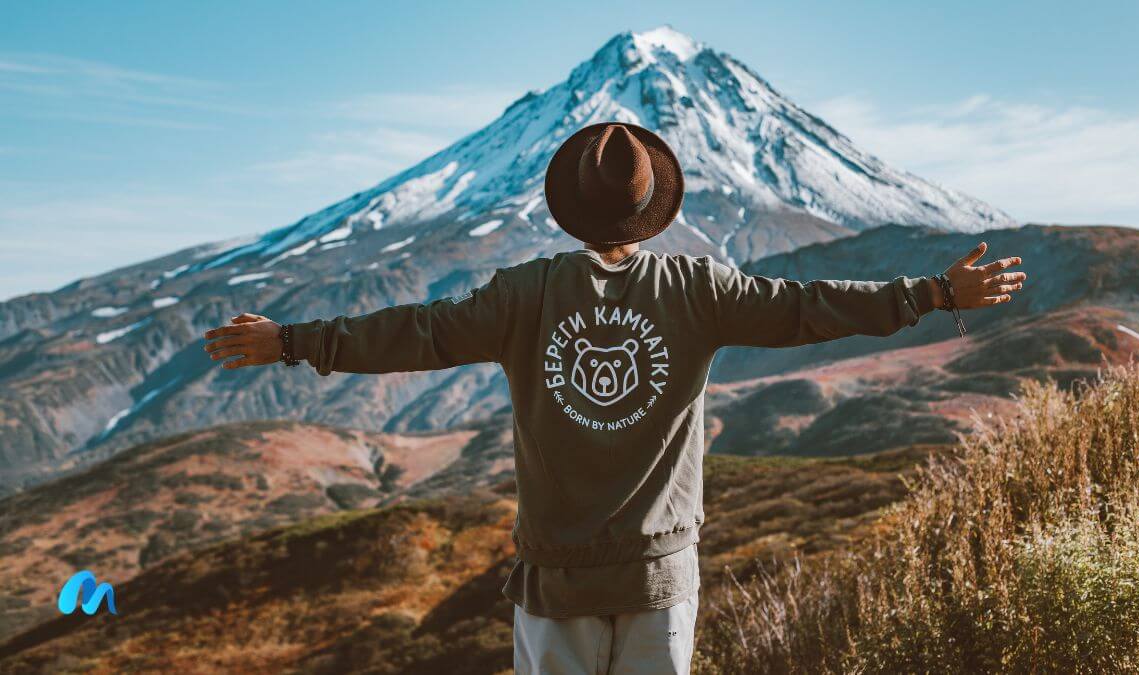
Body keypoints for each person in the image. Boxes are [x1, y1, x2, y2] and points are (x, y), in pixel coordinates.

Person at [203, 122, 1026, 674]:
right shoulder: (698, 288)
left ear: (569, 209)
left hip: (556, 580)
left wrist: (292, 339)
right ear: (651, 208)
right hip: (660, 577)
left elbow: (413, 333)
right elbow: (809, 308)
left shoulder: (522, 294)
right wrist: (929, 293)